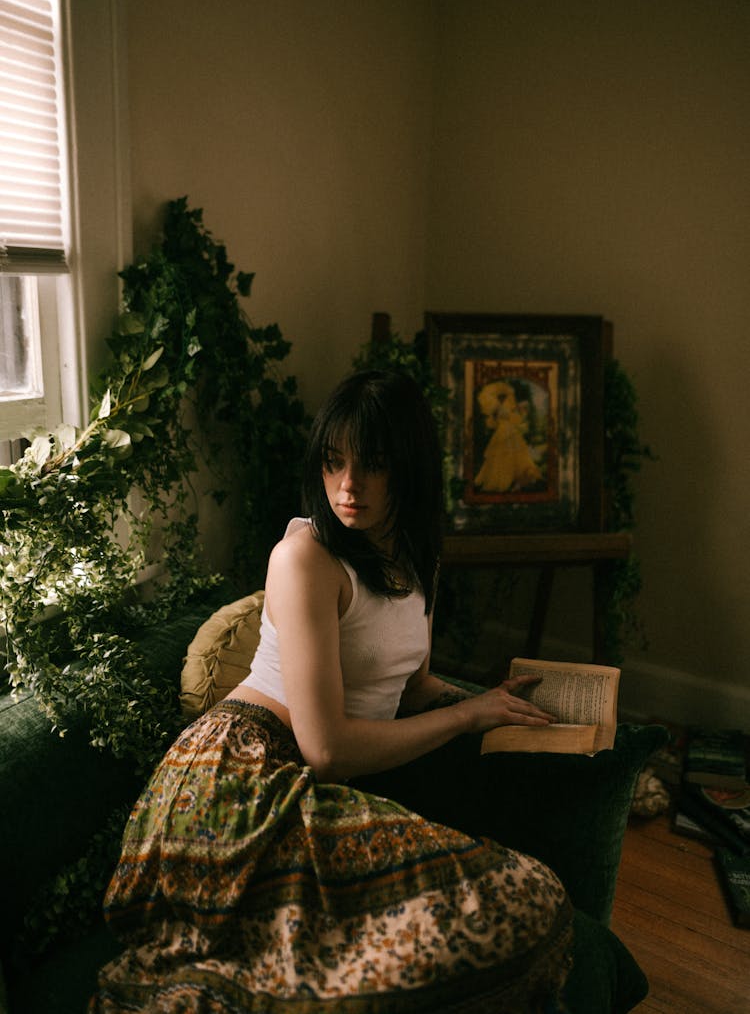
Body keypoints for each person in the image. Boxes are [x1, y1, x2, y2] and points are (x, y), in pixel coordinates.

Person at [90, 369, 573, 1014]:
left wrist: (489, 703)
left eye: (373, 465)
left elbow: (415, 683)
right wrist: (465, 719)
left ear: (410, 468)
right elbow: (326, 749)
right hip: (239, 776)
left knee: (533, 898)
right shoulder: (304, 559)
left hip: (314, 784)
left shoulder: (418, 552)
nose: (349, 486)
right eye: (334, 462)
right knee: (509, 905)